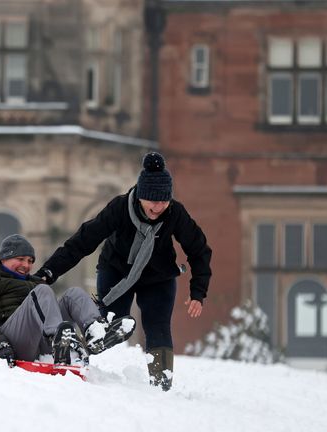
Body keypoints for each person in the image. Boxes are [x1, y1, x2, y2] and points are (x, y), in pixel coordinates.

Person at [34, 152, 212, 391]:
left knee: (158, 324)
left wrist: (198, 291)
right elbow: (83, 241)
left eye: (164, 201)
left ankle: (161, 385)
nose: (158, 207)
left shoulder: (175, 214)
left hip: (158, 276)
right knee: (113, 321)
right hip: (116, 271)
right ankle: (77, 349)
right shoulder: (120, 208)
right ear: (141, 196)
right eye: (153, 201)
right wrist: (49, 271)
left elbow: (199, 249)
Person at [0, 234, 136, 366]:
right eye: (20, 259)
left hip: (38, 342)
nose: (26, 265)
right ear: (3, 258)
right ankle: (60, 341)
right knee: (42, 290)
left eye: (30, 261)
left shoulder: (33, 281)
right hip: (5, 342)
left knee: (73, 294)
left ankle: (95, 333)